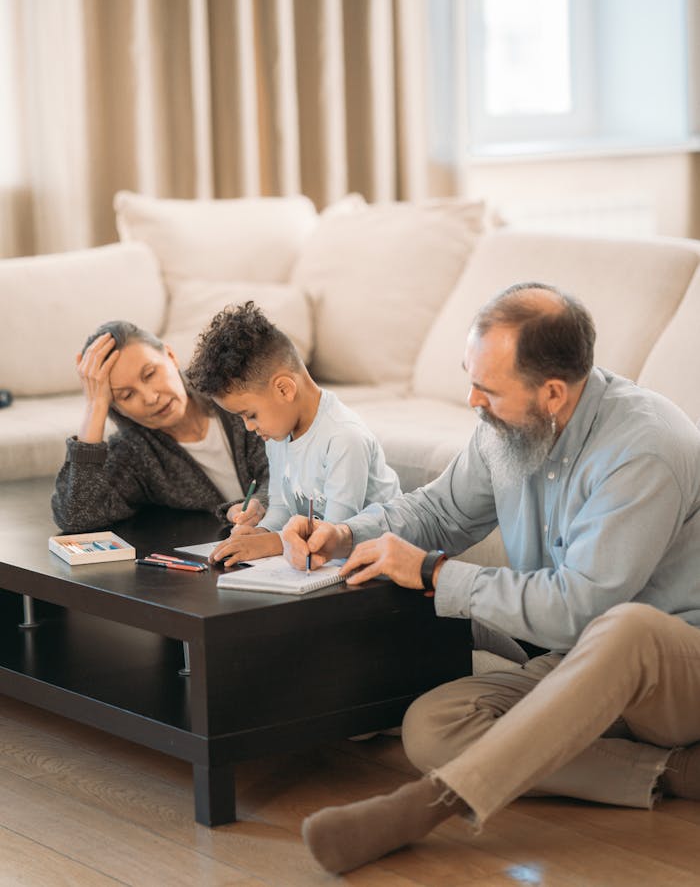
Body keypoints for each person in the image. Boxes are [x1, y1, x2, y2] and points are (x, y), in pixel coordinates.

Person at [280, 282, 700, 875]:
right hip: (582, 664)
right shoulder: (509, 428)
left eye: (489, 388)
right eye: (470, 377)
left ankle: (423, 808)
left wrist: (433, 573)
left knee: (627, 625)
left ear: (552, 392)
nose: (472, 399)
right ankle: (676, 773)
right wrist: (348, 533)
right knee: (430, 728)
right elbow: (440, 512)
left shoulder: (644, 449)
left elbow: (580, 608)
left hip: (678, 671)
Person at [185, 301, 401, 567]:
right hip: (334, 566)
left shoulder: (344, 438)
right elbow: (281, 508)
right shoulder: (278, 435)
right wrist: (259, 533)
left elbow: (337, 534)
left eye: (250, 414)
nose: (249, 427)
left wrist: (270, 543)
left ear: (285, 389)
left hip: (383, 568)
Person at [52, 320, 269, 533]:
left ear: (171, 356)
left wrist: (261, 503)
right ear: (117, 408)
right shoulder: (134, 451)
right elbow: (77, 516)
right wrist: (95, 406)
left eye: (150, 374)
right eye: (127, 395)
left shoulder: (230, 390)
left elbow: (285, 469)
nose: (150, 397)